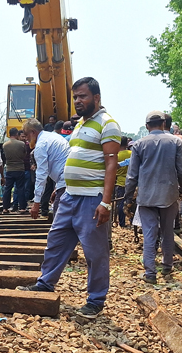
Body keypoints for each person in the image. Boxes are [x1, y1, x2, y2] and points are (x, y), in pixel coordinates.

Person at [19, 77, 120, 319]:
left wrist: (105, 202)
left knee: (95, 253)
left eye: (83, 96)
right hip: (69, 196)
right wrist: (62, 186)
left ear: (96, 98)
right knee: (56, 241)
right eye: (75, 97)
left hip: (91, 198)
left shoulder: (108, 124)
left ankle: (95, 301)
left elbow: (111, 164)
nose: (77, 101)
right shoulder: (79, 125)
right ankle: (45, 283)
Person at [126, 111, 182, 283]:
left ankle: (150, 273)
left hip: (146, 196)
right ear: (163, 124)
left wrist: (127, 197)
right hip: (169, 194)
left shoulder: (139, 145)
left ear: (147, 126)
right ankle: (167, 266)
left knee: (149, 233)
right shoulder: (175, 141)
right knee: (167, 231)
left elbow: (132, 175)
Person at [22, 119, 69, 221]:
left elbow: (41, 175)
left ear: (33, 132)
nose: (27, 140)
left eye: (27, 136)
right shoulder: (52, 136)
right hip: (67, 180)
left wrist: (36, 203)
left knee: (59, 219)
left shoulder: (41, 145)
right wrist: (57, 188)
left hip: (65, 181)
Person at [2, 128, 29, 213]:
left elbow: (4, 157)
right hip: (20, 169)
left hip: (9, 169)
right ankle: (22, 208)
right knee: (20, 188)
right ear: (17, 134)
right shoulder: (21, 144)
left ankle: (5, 208)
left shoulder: (5, 145)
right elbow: (24, 155)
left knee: (8, 189)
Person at [114, 137, 132, 228]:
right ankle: (132, 221)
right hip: (131, 182)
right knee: (131, 202)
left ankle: (121, 223)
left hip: (120, 182)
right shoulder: (132, 154)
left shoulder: (116, 155)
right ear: (127, 144)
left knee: (120, 203)